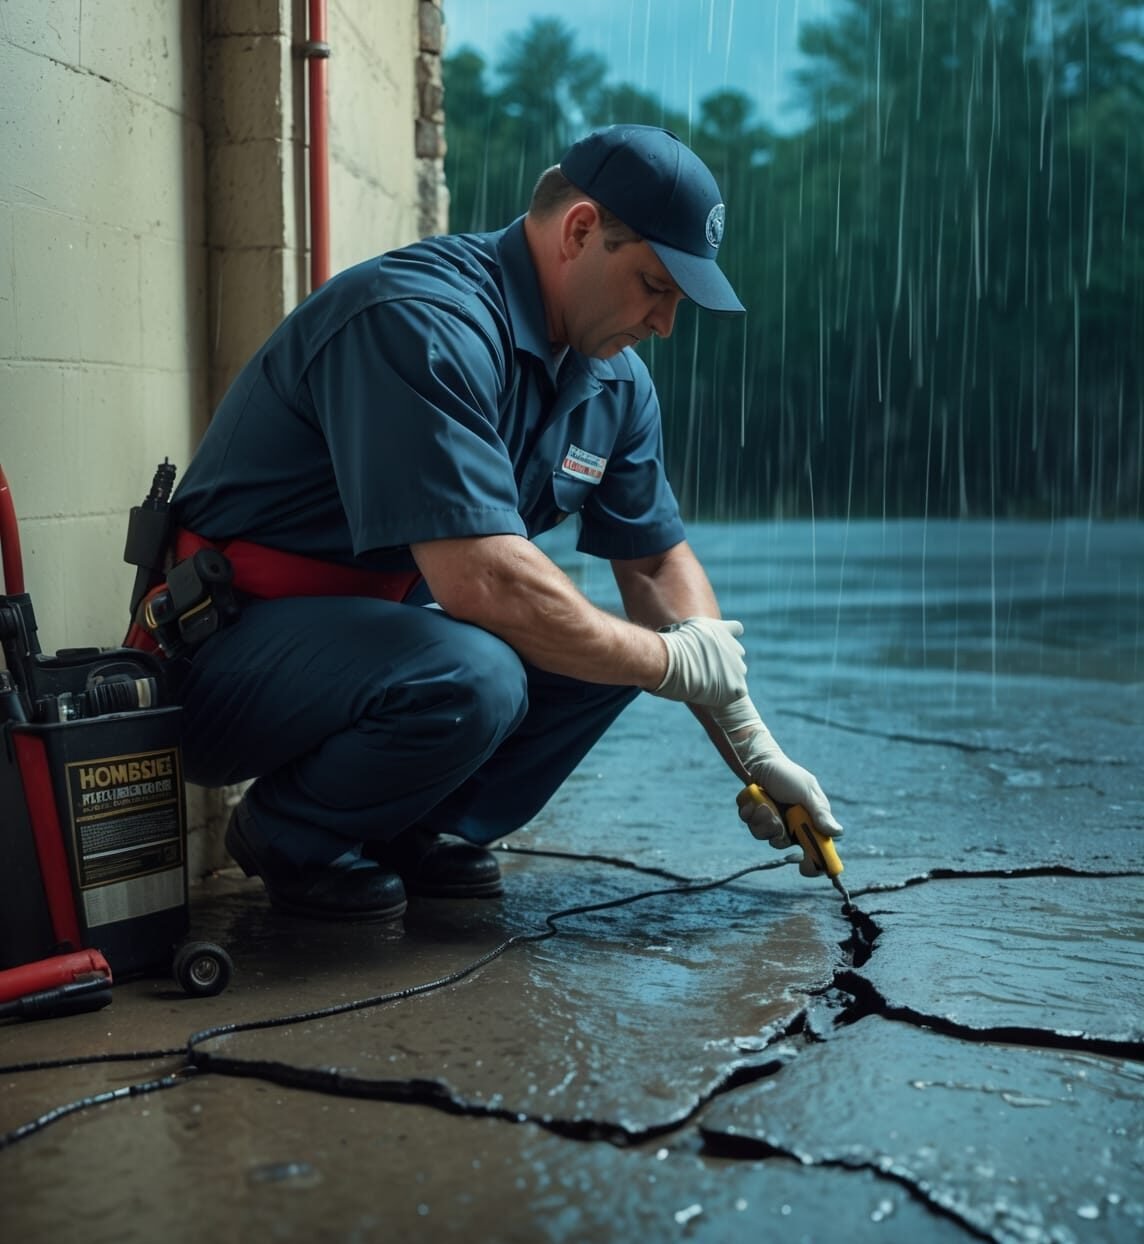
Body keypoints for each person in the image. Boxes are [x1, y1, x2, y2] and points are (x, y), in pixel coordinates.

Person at [158, 123, 843, 922]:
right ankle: (288, 835)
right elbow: (480, 578)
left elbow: (657, 570)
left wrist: (754, 749)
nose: (665, 323)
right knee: (491, 673)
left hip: (375, 645)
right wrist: (664, 659)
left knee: (610, 655)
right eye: (656, 286)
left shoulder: (615, 384)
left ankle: (412, 829)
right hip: (224, 657)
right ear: (580, 231)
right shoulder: (422, 319)